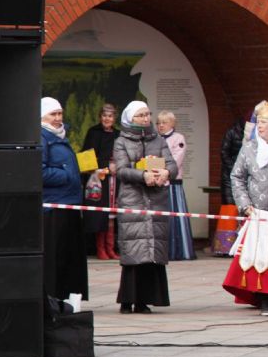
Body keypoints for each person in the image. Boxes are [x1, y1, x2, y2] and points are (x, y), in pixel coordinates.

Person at [112, 100, 174, 314]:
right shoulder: (121, 141)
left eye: (148, 114)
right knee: (134, 250)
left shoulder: (158, 139)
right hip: (133, 199)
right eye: (141, 115)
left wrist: (166, 172)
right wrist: (142, 175)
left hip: (155, 199)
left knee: (152, 251)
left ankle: (145, 300)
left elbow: (171, 164)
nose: (146, 118)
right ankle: (128, 299)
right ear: (131, 118)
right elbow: (121, 170)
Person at [224, 101, 268, 315]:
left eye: (265, 122)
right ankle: (264, 300)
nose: (260, 126)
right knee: (260, 258)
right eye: (259, 122)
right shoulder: (249, 148)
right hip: (257, 214)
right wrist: (244, 204)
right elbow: (237, 176)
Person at [41, 97, 88, 302]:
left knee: (70, 257)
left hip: (70, 203)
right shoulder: (42, 137)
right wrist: (67, 174)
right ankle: (54, 297)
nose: (58, 118)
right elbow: (39, 171)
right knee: (56, 256)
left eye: (60, 113)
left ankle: (68, 299)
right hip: (54, 206)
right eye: (53, 114)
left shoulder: (60, 137)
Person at [82, 103, 119, 260]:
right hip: (98, 179)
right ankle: (100, 248)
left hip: (114, 179)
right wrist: (104, 166)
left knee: (111, 213)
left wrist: (117, 165)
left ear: (114, 118)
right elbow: (86, 157)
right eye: (104, 115)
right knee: (99, 214)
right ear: (100, 117)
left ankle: (110, 248)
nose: (107, 119)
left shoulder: (118, 134)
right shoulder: (93, 132)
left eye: (110, 116)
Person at [157, 110, 195, 261]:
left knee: (174, 217)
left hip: (172, 184)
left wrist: (161, 169)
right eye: (158, 123)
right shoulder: (155, 139)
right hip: (158, 183)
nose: (160, 125)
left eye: (164, 123)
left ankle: (178, 250)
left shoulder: (179, 138)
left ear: (172, 124)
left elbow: (175, 160)